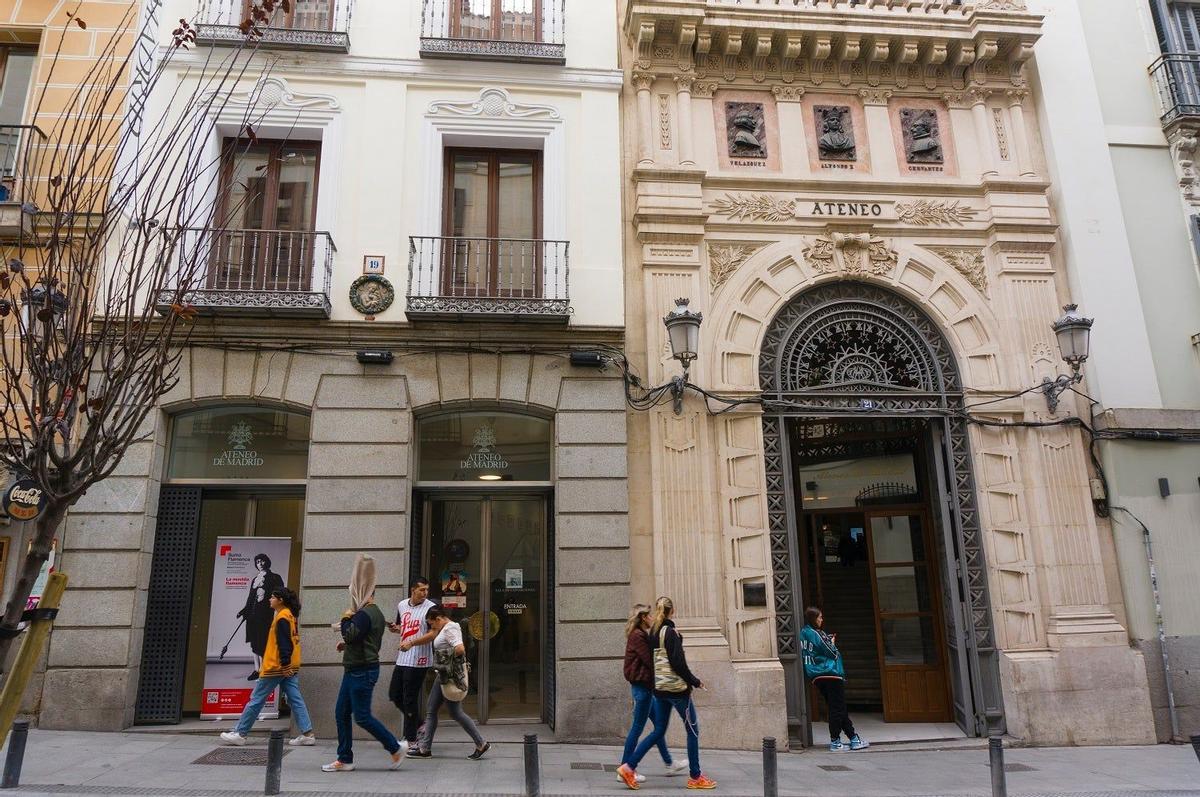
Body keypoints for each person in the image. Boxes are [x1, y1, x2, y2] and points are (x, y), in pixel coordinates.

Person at [617, 597, 716, 791]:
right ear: (672, 611)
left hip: (660, 690)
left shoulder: (653, 633)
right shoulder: (669, 632)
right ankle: (695, 776)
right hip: (677, 690)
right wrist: (694, 682)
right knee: (692, 731)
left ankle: (628, 767)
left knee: (658, 730)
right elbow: (678, 663)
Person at [322, 554, 406, 773]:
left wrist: (345, 617)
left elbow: (351, 634)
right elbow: (359, 639)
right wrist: (346, 644)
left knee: (361, 716)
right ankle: (344, 759)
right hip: (357, 669)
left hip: (361, 671)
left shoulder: (364, 614)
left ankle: (395, 747)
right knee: (342, 713)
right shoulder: (372, 613)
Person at [220, 588, 315, 747]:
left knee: (256, 700)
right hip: (288, 666)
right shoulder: (290, 616)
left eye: (273, 597)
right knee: (295, 699)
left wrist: (284, 664)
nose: (270, 599)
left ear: (281, 600)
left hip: (276, 666)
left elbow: (284, 644)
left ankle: (240, 733)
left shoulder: (282, 617)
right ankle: (308, 734)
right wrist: (287, 664)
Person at [407, 605, 490, 760]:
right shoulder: (447, 627)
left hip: (448, 675)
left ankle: (481, 743)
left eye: (432, 623)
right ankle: (425, 748)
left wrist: (441, 659)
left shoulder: (450, 628)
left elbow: (460, 649)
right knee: (435, 710)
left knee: (452, 712)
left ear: (438, 619)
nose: (432, 627)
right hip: (444, 675)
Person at [620, 604, 686, 784]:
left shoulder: (639, 635)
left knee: (659, 727)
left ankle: (669, 763)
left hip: (644, 688)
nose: (652, 619)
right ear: (643, 617)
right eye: (649, 616)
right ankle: (625, 769)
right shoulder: (639, 636)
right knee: (638, 728)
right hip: (642, 688)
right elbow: (652, 661)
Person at [800, 606, 868, 752]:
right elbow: (831, 652)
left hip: (816, 675)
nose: (821, 620)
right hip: (829, 673)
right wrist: (832, 642)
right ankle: (835, 741)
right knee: (837, 708)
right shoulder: (817, 633)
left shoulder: (803, 633)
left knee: (838, 707)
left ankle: (854, 738)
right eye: (819, 617)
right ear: (814, 619)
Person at [388, 577, 436, 750]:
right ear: (412, 590)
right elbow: (404, 626)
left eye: (427, 590)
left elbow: (432, 634)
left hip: (419, 660)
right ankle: (420, 724)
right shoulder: (402, 605)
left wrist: (412, 643)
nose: (425, 593)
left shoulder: (431, 607)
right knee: (394, 694)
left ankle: (411, 739)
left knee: (409, 698)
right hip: (403, 657)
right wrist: (397, 629)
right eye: (422, 590)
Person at [239, 553, 284, 681]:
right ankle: (256, 669)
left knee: (263, 641)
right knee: (254, 642)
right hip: (252, 616)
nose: (260, 563)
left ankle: (265, 669)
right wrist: (244, 611)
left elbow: (280, 596)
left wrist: (277, 612)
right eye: (257, 561)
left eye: (262, 561)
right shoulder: (255, 579)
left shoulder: (275, 578)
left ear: (267, 562)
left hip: (265, 615)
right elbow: (250, 598)